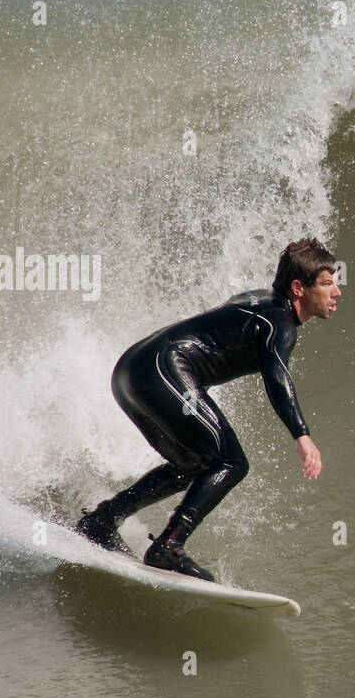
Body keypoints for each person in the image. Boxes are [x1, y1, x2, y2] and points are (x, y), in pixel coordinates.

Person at [75, 237, 341, 581]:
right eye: (326, 284)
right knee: (230, 462)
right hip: (162, 370)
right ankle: (169, 546)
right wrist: (302, 436)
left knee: (195, 463)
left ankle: (103, 519)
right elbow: (278, 376)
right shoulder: (281, 323)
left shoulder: (261, 301)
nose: (337, 292)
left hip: (132, 370)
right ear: (298, 288)